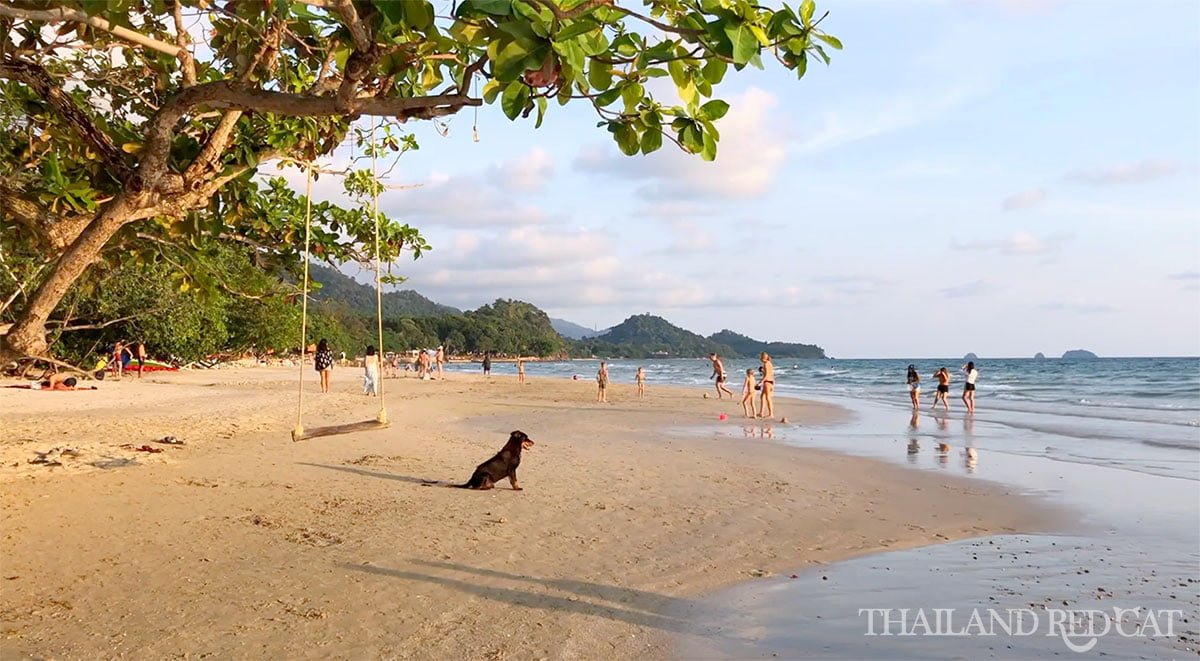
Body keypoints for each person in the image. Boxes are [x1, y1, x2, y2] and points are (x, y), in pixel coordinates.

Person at [758, 352, 775, 419]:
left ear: (762, 357)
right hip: (770, 381)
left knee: (768, 398)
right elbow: (770, 374)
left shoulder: (766, 364)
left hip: (767, 382)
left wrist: (760, 382)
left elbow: (767, 375)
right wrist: (763, 371)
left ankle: (771, 414)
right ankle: (761, 412)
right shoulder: (769, 363)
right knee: (762, 396)